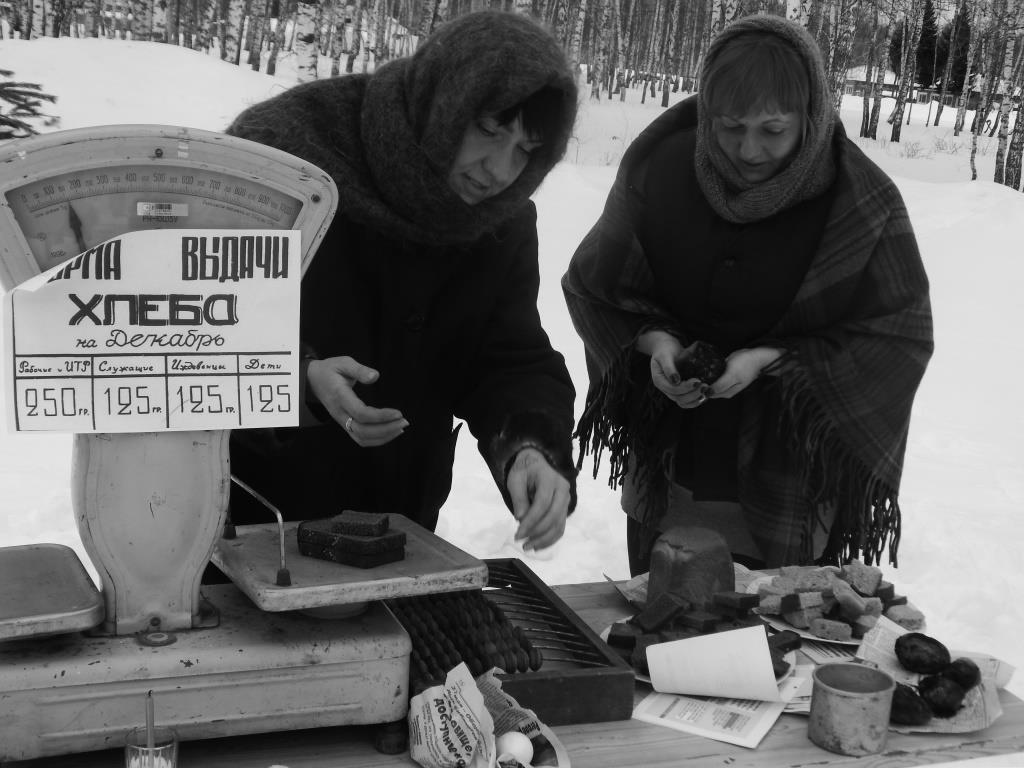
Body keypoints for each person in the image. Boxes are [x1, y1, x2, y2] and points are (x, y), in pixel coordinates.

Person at [562, 15, 933, 574]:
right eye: (730, 127)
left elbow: (896, 336)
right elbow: (594, 286)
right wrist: (656, 344)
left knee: (776, 643)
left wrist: (773, 360)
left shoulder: (859, 201)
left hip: (791, 484)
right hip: (669, 467)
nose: (749, 150)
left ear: (809, 116)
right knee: (661, 630)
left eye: (773, 129)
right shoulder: (662, 167)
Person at [224, 10, 579, 552]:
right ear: (444, 101)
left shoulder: (501, 217)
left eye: (526, 151)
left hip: (396, 525)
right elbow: (195, 326)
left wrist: (528, 446)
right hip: (250, 518)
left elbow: (505, 356)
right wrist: (300, 381)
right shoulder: (283, 157)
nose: (500, 172)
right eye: (489, 130)